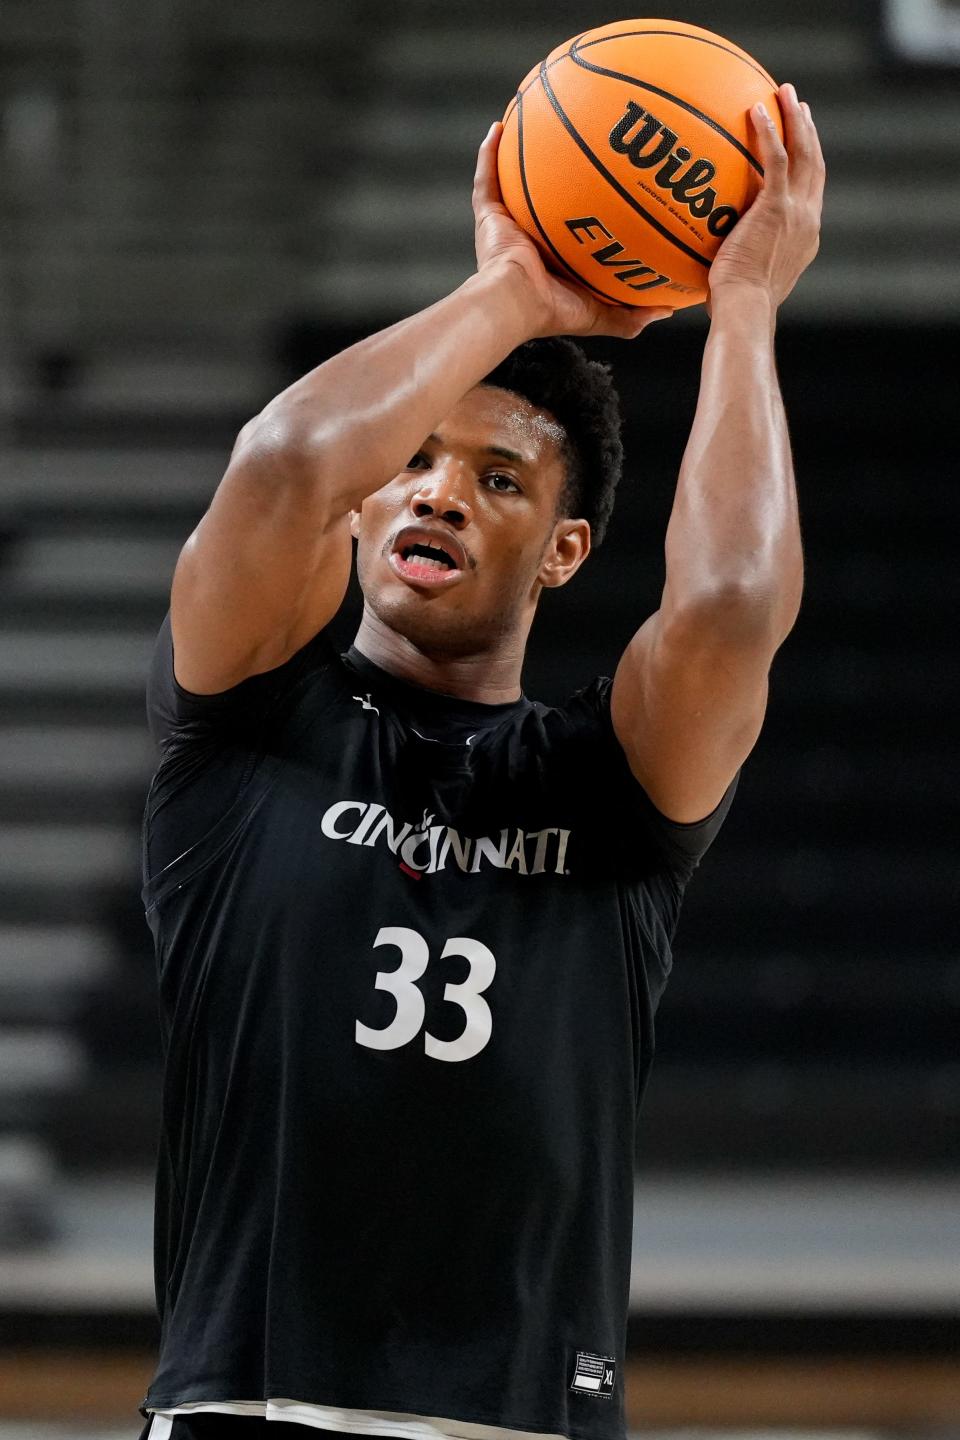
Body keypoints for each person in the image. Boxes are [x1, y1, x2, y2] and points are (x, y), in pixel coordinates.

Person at [139, 85, 823, 1440]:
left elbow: (734, 605)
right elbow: (279, 464)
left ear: (564, 552)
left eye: (500, 480)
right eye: (415, 460)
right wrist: (511, 288)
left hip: (520, 1419)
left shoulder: (606, 787)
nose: (442, 492)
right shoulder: (246, 723)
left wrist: (745, 307)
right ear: (366, 499)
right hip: (253, 1408)